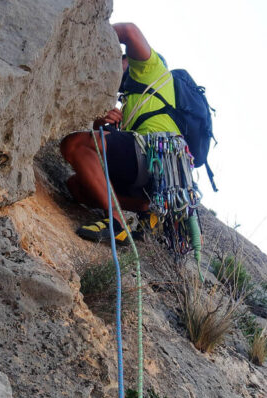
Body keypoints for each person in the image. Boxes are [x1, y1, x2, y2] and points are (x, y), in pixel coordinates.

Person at [60, 22, 181, 243]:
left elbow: (129, 31)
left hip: (156, 153)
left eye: (120, 62)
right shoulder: (133, 103)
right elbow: (104, 150)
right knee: (77, 187)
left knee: (73, 145)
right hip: (156, 172)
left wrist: (81, 34)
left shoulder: (151, 69)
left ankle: (116, 222)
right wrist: (100, 121)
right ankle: (146, 208)